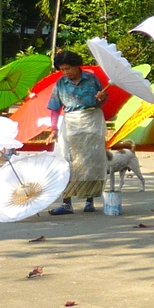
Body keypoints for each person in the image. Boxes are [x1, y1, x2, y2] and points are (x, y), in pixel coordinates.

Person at [46, 51, 108, 214]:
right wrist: (54, 128)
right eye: (62, 69)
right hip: (71, 122)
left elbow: (103, 100)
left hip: (92, 121)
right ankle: (67, 203)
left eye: (68, 68)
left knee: (91, 161)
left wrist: (102, 97)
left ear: (76, 65)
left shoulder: (92, 79)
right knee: (67, 160)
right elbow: (54, 106)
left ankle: (90, 201)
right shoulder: (61, 83)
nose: (66, 72)